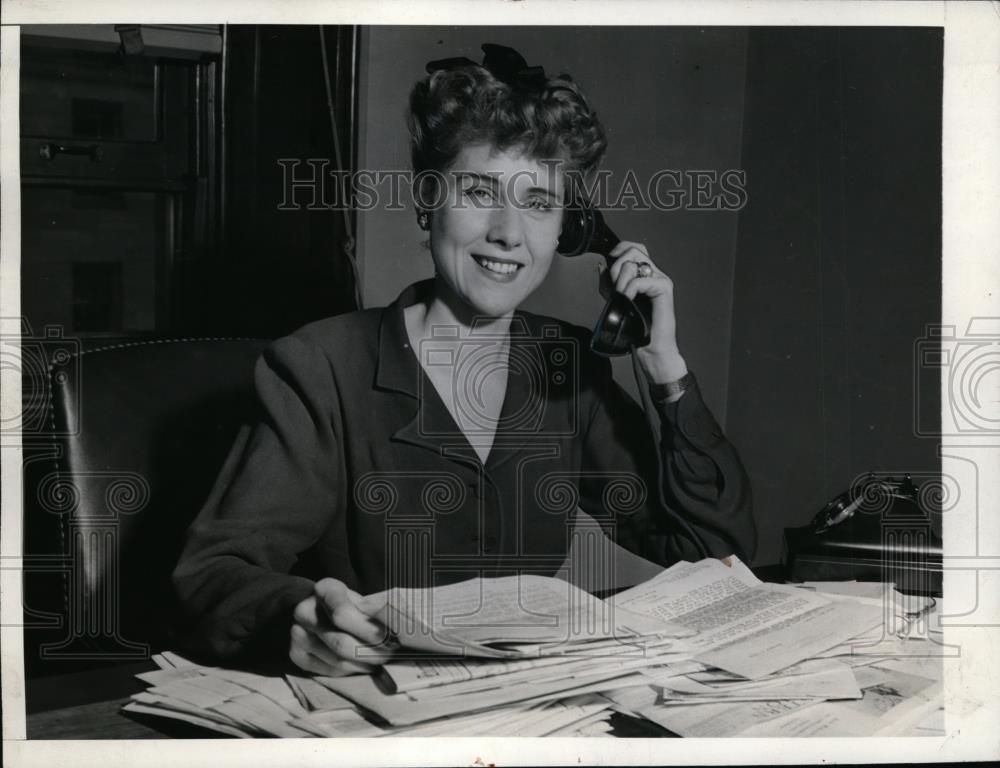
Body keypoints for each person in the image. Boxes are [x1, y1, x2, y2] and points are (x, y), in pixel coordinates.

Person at [172, 44, 756, 677]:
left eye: (538, 203)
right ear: (428, 202)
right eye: (480, 190)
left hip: (524, 706)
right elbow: (213, 574)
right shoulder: (321, 366)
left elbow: (710, 556)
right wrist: (301, 616)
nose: (509, 232)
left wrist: (661, 363)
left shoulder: (568, 367)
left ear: (568, 230)